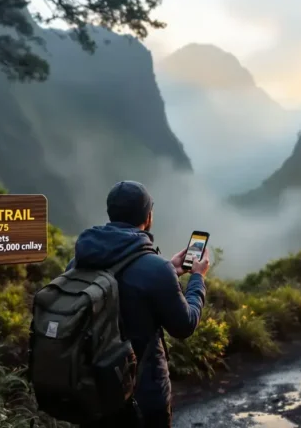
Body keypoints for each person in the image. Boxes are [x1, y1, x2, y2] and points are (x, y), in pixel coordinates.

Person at [65, 181, 210, 428]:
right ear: (148, 216)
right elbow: (184, 325)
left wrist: (169, 270)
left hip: (92, 393)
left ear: (110, 212)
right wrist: (197, 278)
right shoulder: (156, 269)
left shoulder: (78, 261)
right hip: (143, 397)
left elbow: (126, 284)